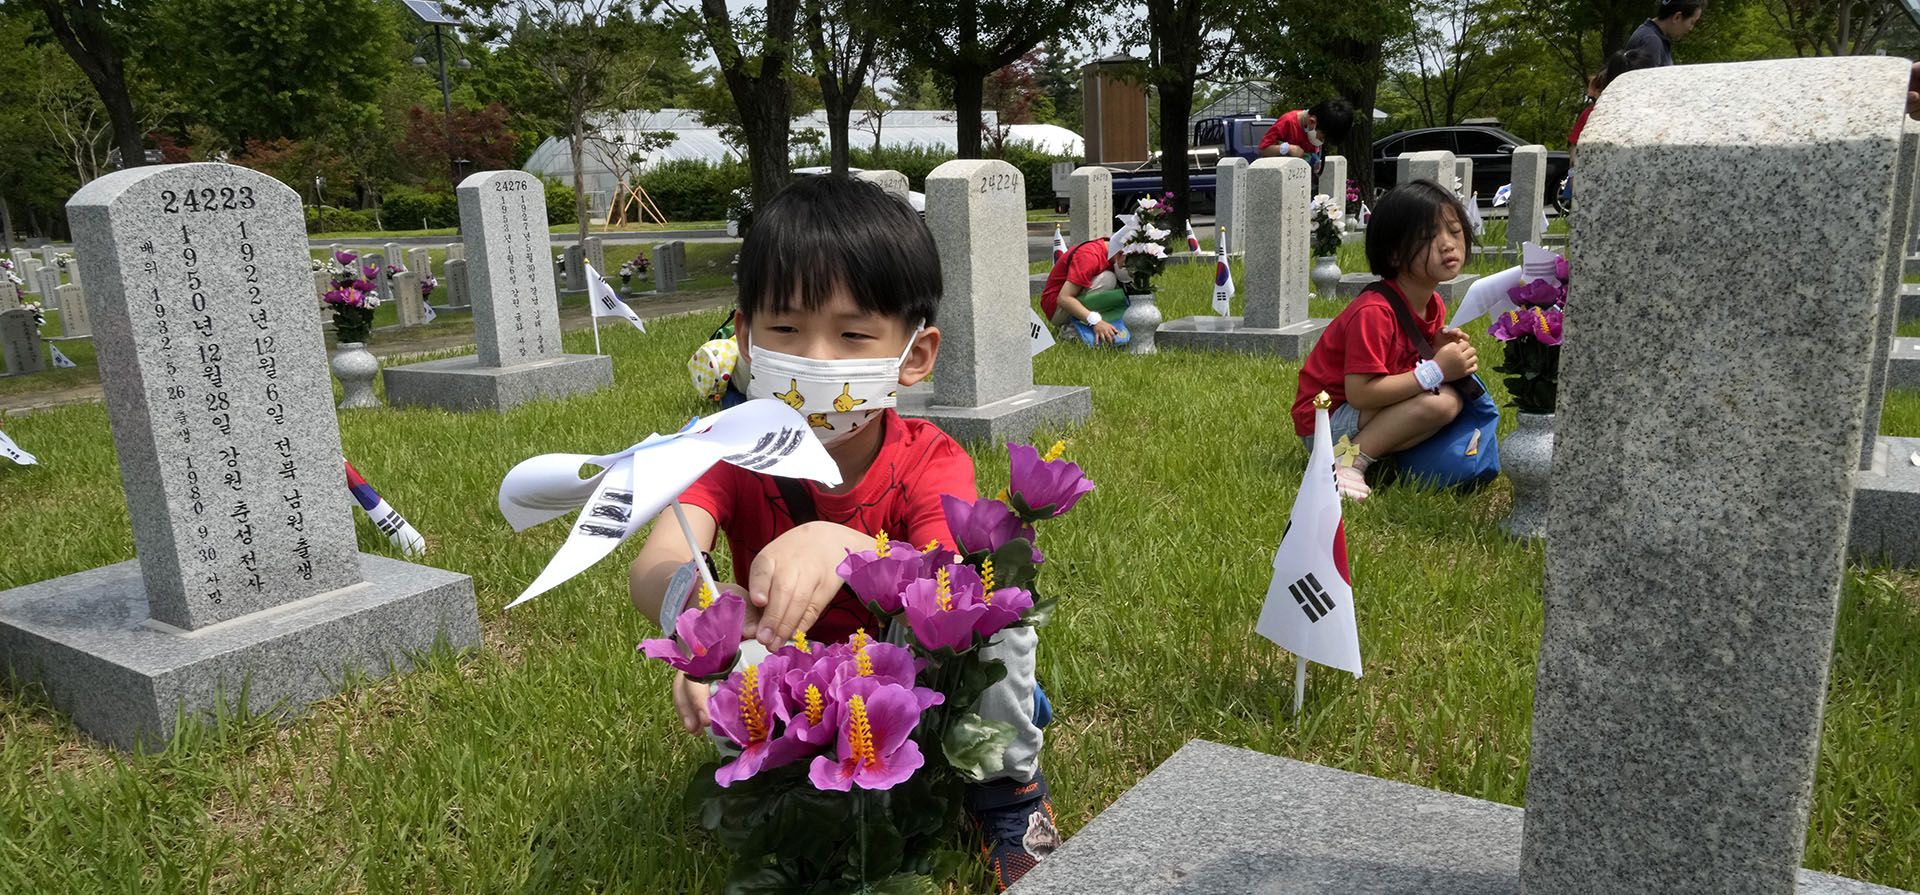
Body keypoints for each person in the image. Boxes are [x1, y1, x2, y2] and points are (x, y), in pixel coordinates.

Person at [627, 175, 1058, 890]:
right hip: (800, 697)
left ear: (914, 355)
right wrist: (703, 617)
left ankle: (1009, 797)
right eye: (786, 330)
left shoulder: (927, 456)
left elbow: (951, 573)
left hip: (910, 689)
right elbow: (659, 559)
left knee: (1000, 605)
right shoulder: (725, 451)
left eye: (854, 334)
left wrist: (851, 549)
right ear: (744, 339)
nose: (818, 360)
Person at [1292, 180, 1479, 500]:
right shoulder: (1374, 312)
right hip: (1325, 423)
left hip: (1361, 411)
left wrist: (1435, 349)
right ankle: (1347, 462)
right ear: (1394, 254)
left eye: (1454, 230)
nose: (1448, 244)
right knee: (1441, 401)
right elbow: (1362, 393)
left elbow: (1399, 367)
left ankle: (1373, 448)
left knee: (1449, 400)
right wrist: (1437, 369)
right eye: (1428, 237)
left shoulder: (1432, 303)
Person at [1563, 48, 1655, 203]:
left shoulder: (1593, 113)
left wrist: (1574, 174)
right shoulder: (1649, 115)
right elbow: (1574, 148)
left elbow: (1574, 149)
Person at [1039, 235, 1128, 346]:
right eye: (1127, 266)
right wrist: (1095, 321)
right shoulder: (1089, 256)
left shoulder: (1114, 252)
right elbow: (1064, 298)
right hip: (1057, 308)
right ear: (1119, 254)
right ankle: (1072, 330)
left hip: (1075, 297)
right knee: (1107, 279)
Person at [1257, 98, 1355, 176]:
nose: (1322, 141)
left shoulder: (1318, 128)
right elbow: (1263, 149)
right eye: (1323, 137)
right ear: (1312, 121)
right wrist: (1287, 148)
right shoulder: (1288, 122)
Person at [1625, 0, 1705, 68]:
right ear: (1677, 17)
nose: (1691, 28)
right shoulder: (1651, 42)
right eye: (1692, 22)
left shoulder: (1650, 35)